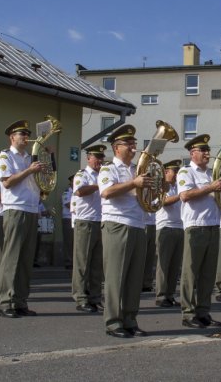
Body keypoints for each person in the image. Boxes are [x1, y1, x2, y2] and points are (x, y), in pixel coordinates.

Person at [98, 125, 152, 338]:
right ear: (116, 148)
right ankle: (113, 322)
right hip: (117, 224)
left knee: (134, 277)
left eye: (133, 143)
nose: (133, 147)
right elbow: (106, 192)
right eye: (128, 144)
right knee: (116, 276)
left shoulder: (137, 170)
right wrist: (133, 183)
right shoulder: (108, 169)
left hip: (138, 224)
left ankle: (130, 319)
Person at [178, 134, 221, 329]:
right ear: (192, 153)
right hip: (195, 225)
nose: (208, 154)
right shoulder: (185, 172)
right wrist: (211, 187)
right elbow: (185, 195)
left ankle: (203, 312)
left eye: (208, 150)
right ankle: (188, 313)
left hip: (213, 224)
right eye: (203, 151)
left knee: (208, 273)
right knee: (191, 272)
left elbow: (219, 199)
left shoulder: (211, 174)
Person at [0, 120, 44, 318]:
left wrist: (49, 159)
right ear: (12, 137)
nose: (25, 137)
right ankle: (5, 302)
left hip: (31, 209)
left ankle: (20, 300)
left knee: (25, 259)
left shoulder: (30, 157)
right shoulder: (5, 156)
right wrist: (29, 171)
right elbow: (7, 182)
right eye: (21, 134)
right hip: (15, 209)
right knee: (12, 257)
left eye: (27, 133)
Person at [71, 145, 105, 313]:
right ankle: (81, 297)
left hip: (101, 221)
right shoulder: (82, 174)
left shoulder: (103, 175)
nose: (100, 161)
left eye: (101, 157)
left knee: (97, 263)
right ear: (88, 158)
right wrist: (99, 185)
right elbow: (79, 191)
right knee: (83, 262)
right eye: (96, 157)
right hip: (85, 221)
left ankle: (95, 297)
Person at [154, 159, 184, 307]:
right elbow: (163, 201)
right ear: (166, 172)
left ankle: (170, 295)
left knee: (175, 265)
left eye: (178, 172)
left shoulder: (179, 186)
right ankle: (161, 295)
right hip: (165, 227)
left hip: (179, 227)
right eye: (175, 172)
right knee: (164, 264)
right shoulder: (161, 186)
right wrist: (181, 196)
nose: (177, 174)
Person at [61, 174, 74, 270]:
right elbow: (68, 204)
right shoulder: (67, 192)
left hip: (76, 219)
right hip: (68, 218)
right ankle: (69, 261)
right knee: (69, 241)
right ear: (71, 183)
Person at [142, 211, 157, 292]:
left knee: (150, 257)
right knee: (140, 257)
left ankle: (147, 283)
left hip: (155, 223)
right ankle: (137, 283)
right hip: (143, 223)